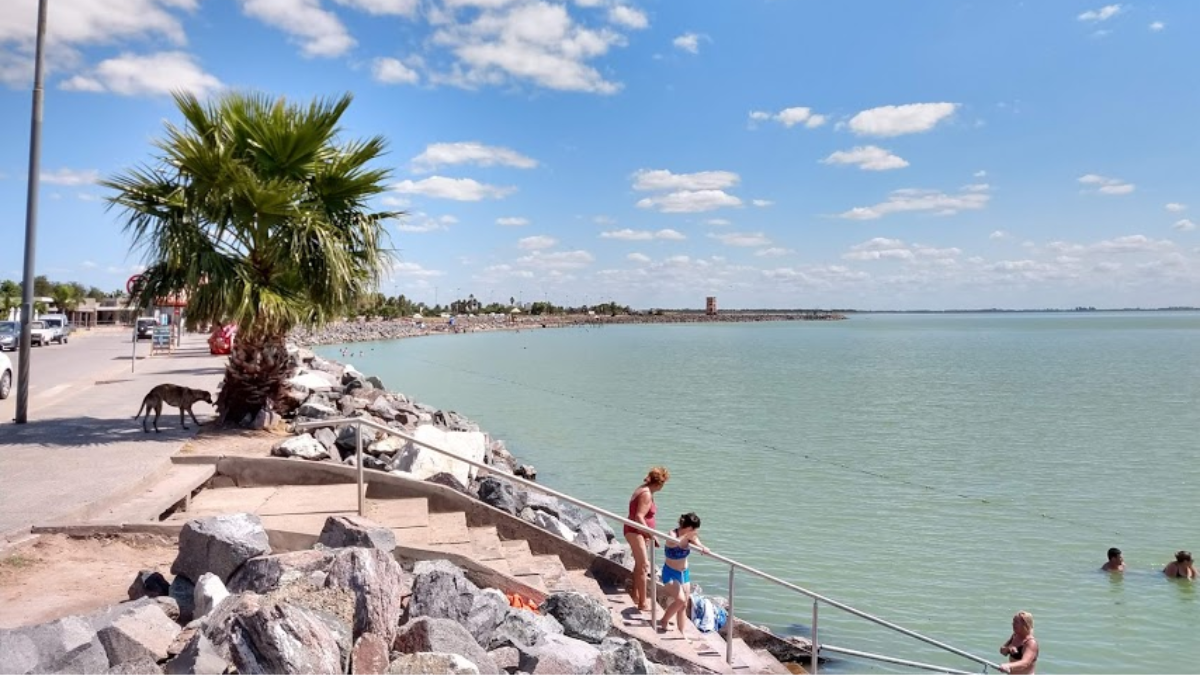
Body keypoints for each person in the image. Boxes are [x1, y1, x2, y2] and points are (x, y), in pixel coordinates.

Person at [624, 466, 669, 611]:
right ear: (659, 483)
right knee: (644, 566)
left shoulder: (644, 489)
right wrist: (651, 534)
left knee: (639, 564)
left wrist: (647, 534)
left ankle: (636, 595)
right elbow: (639, 516)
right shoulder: (646, 494)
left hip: (639, 531)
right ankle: (643, 603)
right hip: (636, 531)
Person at [658, 512, 708, 638]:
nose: (695, 531)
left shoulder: (691, 536)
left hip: (684, 573)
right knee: (680, 600)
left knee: (684, 605)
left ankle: (682, 633)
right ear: (688, 527)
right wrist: (686, 536)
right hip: (670, 572)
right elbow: (675, 543)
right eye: (694, 528)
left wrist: (702, 547)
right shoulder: (672, 534)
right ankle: (664, 620)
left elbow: (697, 542)